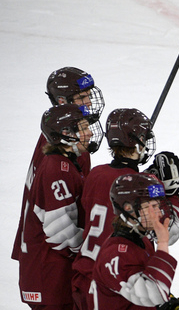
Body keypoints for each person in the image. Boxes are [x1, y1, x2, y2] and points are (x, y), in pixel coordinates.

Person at [71, 108, 179, 309]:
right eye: (143, 137)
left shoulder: (96, 175)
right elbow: (168, 231)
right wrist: (171, 192)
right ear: (135, 142)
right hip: (121, 280)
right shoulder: (145, 184)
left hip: (86, 276)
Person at [12, 67, 105, 265]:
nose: (88, 102)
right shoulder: (65, 149)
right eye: (82, 97)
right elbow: (57, 218)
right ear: (62, 101)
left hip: (47, 246)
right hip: (52, 254)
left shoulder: (61, 135)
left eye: (89, 95)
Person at [17, 104, 102, 309]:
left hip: (51, 274)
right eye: (82, 127)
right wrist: (93, 252)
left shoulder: (63, 162)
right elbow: (59, 230)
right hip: (49, 277)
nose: (90, 132)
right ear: (65, 134)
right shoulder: (58, 169)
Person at [92, 173, 179, 310]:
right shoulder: (115, 254)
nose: (159, 213)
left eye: (158, 206)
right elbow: (151, 295)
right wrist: (163, 243)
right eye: (151, 206)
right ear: (128, 208)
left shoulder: (142, 239)